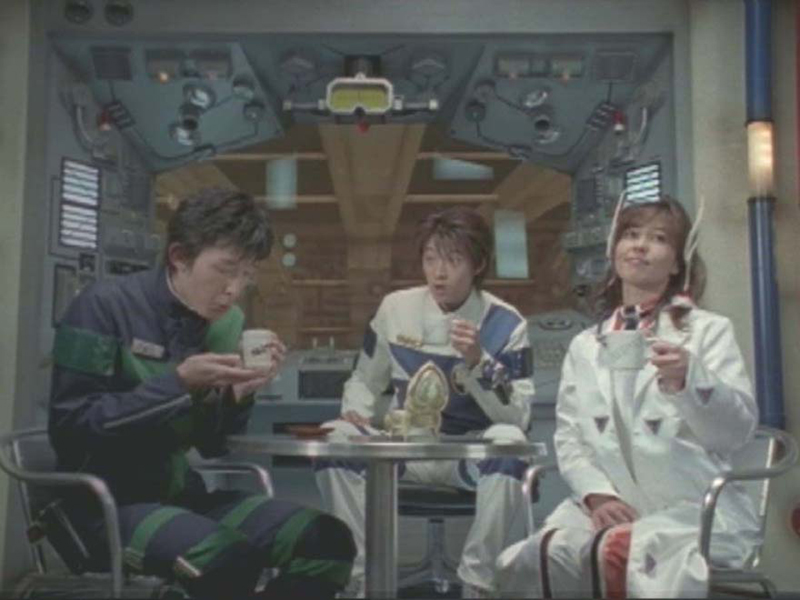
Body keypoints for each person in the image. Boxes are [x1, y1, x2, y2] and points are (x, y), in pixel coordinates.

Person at [48, 189, 356, 600]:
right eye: (225, 270)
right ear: (179, 256)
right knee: (225, 558)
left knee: (327, 542)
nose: (234, 289)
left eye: (247, 275)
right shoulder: (103, 305)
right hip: (104, 506)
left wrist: (236, 397)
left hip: (183, 497)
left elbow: (212, 447)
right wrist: (178, 384)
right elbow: (71, 426)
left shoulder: (227, 324)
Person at [496, 196, 760, 598]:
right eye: (631, 234)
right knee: (540, 554)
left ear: (677, 263)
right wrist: (596, 494)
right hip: (610, 505)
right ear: (613, 249)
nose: (640, 246)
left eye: (658, 239)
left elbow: (736, 433)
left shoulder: (708, 332)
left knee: (619, 553)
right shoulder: (586, 345)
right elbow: (570, 437)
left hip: (691, 509)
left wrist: (690, 380)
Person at [314, 206, 536, 598]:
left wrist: (478, 361)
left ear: (478, 264)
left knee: (510, 441)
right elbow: (365, 379)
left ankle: (477, 582)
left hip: (467, 457)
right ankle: (361, 577)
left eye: (453, 260)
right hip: (404, 452)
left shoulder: (507, 323)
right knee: (336, 436)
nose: (439, 273)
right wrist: (356, 411)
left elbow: (518, 415)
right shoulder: (395, 308)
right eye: (431, 259)